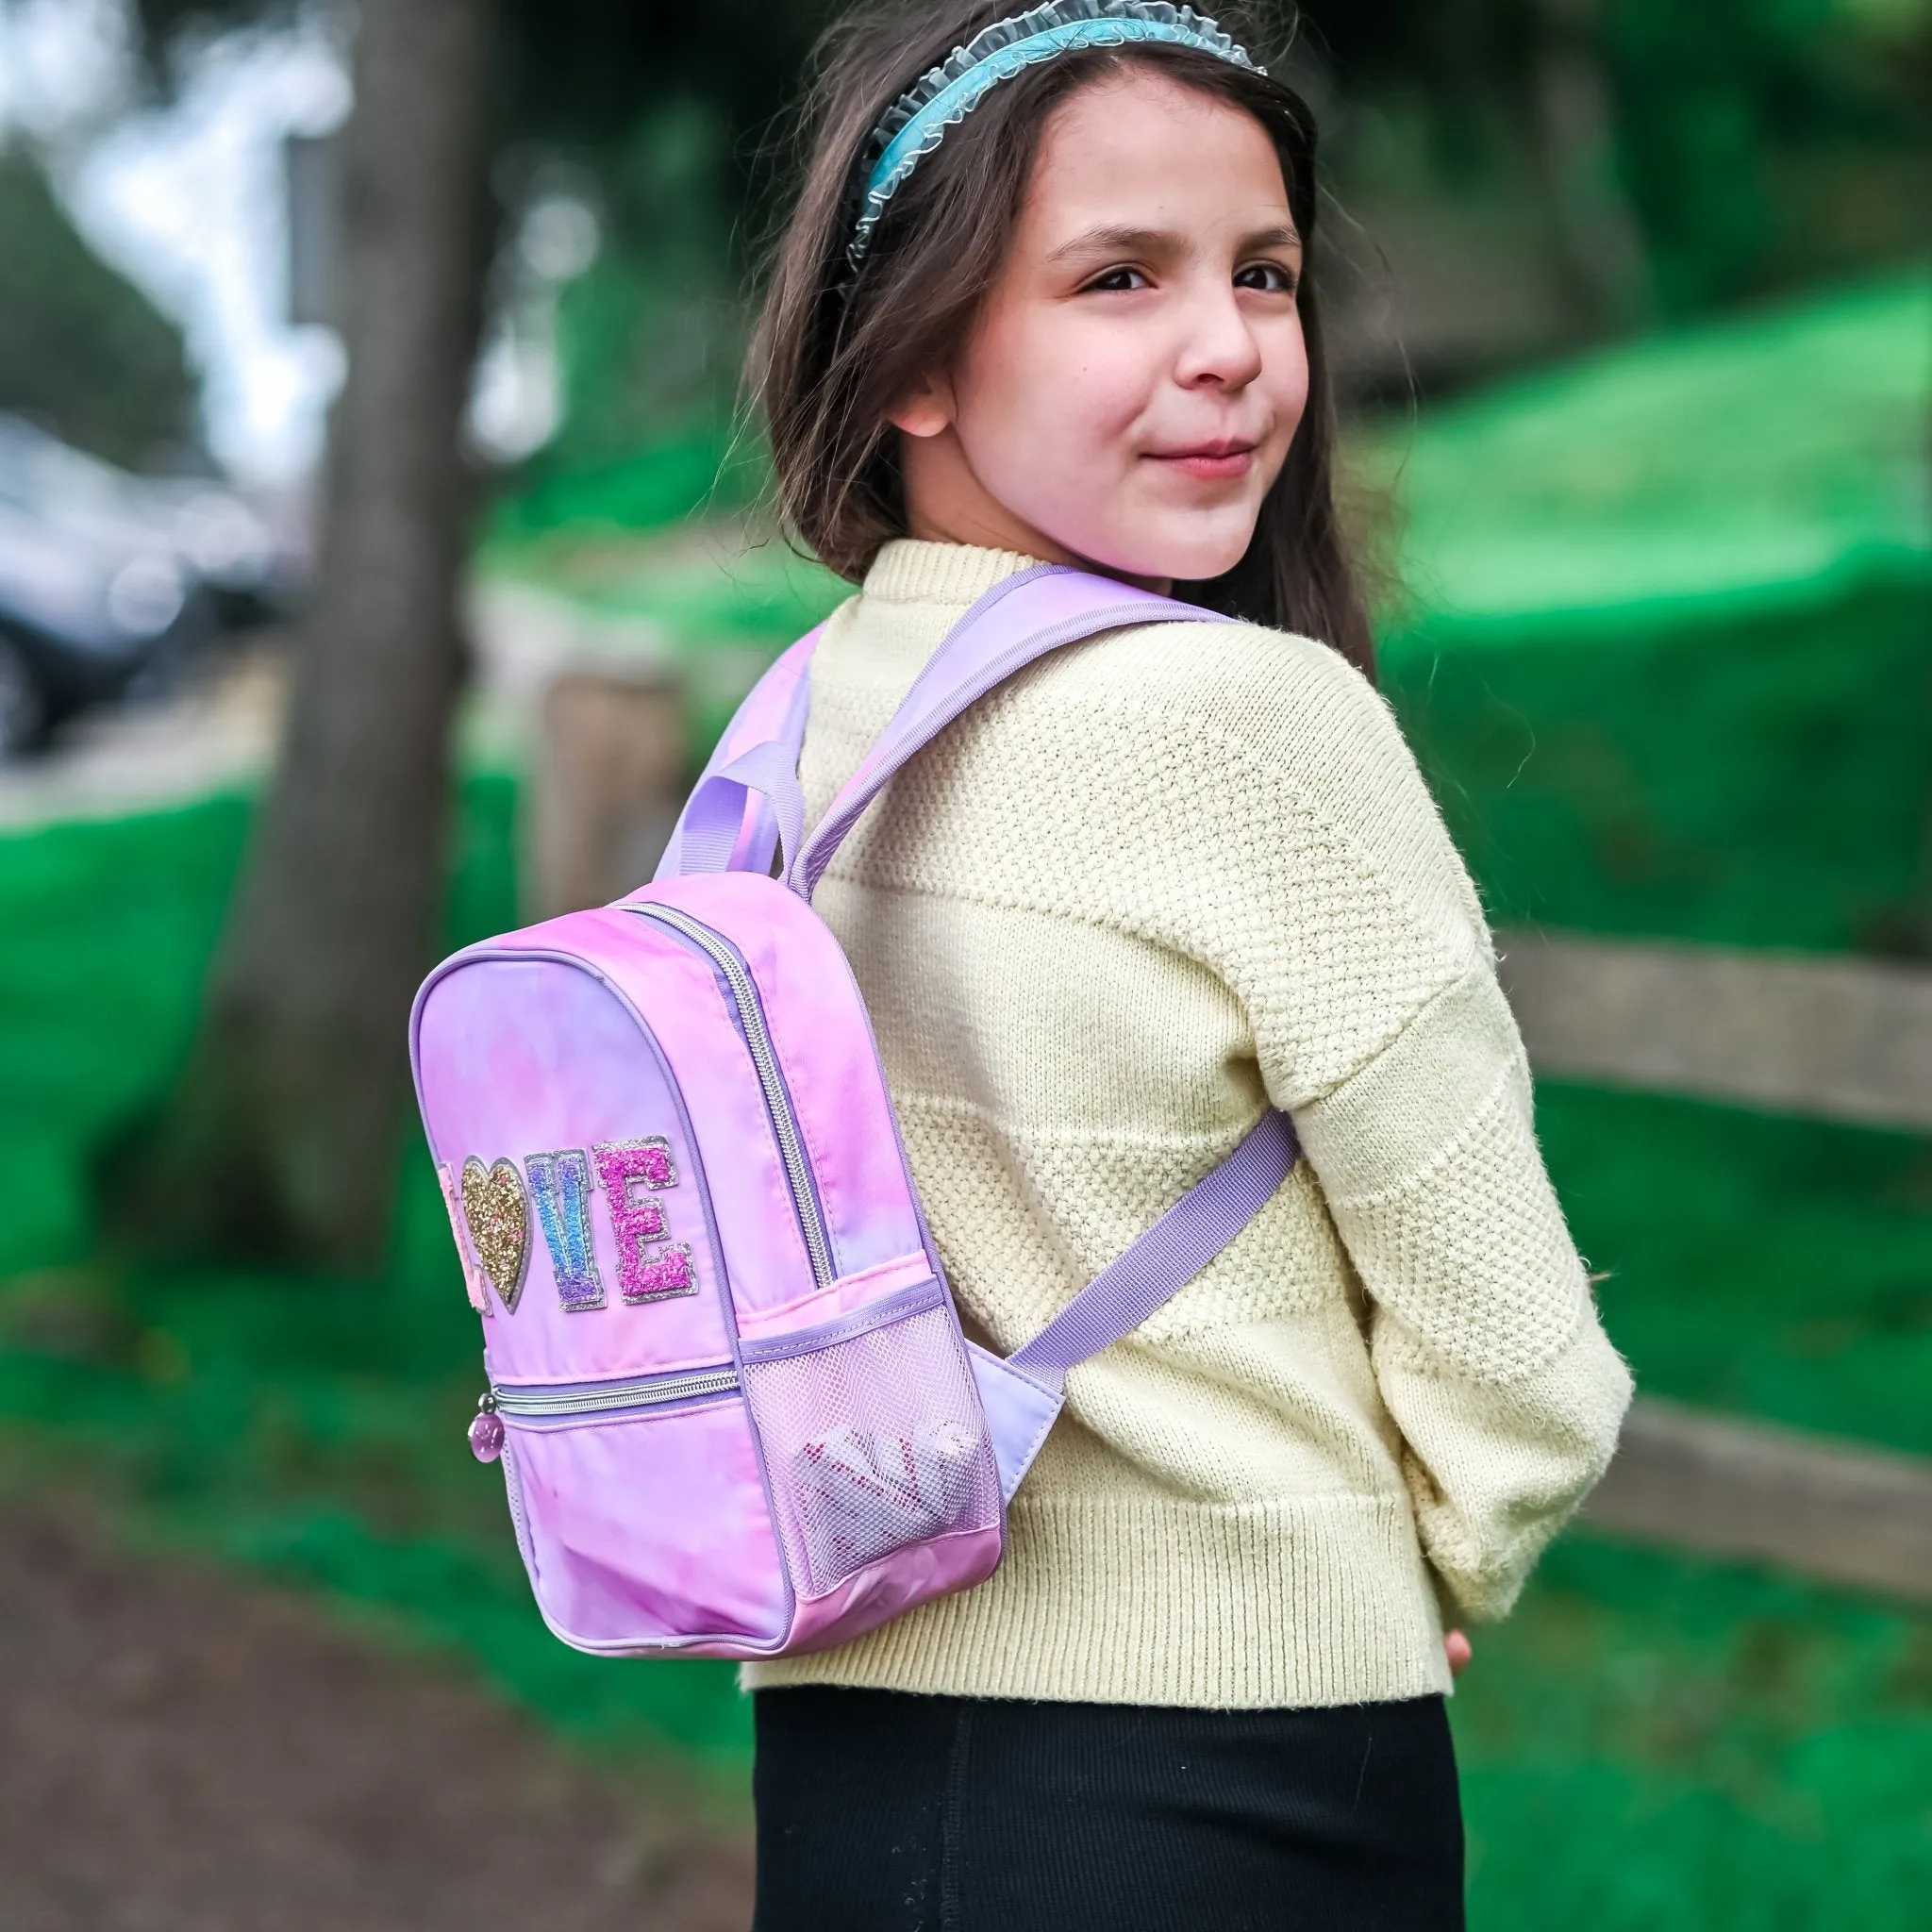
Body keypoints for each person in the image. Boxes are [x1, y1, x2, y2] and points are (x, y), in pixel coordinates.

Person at [741, 4, 1632, 1925]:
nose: (1224, 344)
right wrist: (1440, 1550)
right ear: (910, 360)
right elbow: (1518, 1361)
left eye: (1263, 274)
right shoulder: (1240, 723)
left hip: (847, 1760)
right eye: (1117, 278)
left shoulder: (810, 717)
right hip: (1220, 1766)